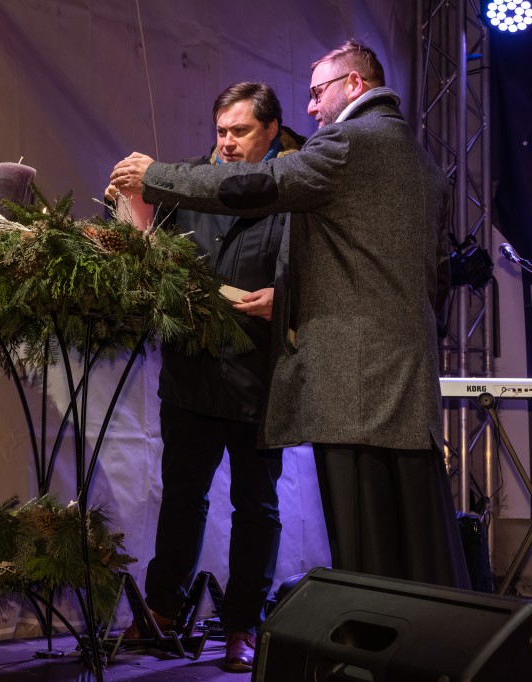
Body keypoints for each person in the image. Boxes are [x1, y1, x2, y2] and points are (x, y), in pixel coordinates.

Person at [109, 40, 471, 593]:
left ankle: (364, 637)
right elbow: (436, 277)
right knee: (417, 550)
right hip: (405, 383)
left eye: (318, 92)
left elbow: (262, 185)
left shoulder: (348, 142)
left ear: (354, 84)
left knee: (363, 554)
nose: (311, 107)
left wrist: (156, 176)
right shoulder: (422, 161)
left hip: (351, 386)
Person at [109, 82, 304, 673]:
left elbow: (322, 273)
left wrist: (286, 300)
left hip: (258, 378)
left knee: (256, 507)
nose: (227, 142)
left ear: (271, 130)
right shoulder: (186, 183)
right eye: (221, 130)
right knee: (181, 498)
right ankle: (163, 611)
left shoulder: (293, 190)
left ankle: (243, 625)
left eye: (240, 131)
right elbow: (142, 252)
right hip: (190, 374)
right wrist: (128, 206)